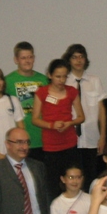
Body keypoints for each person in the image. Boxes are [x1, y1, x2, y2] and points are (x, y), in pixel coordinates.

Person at [32, 59, 85, 200]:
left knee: (74, 181)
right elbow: (35, 119)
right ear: (49, 75)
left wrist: (69, 123)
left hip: (70, 144)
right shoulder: (42, 92)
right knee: (53, 185)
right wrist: (51, 125)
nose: (61, 80)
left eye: (64, 76)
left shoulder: (72, 91)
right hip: (51, 147)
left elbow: (81, 117)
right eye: (58, 76)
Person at [64, 44, 107, 189]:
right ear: (69, 60)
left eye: (81, 57)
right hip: (70, 138)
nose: (78, 60)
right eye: (74, 57)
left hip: (92, 137)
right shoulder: (64, 81)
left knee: (91, 177)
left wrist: (103, 137)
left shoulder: (94, 80)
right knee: (73, 178)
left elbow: (101, 110)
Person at [5, 41, 49, 161]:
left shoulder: (44, 80)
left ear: (34, 58)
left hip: (42, 139)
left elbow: (52, 103)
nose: (27, 61)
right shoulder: (8, 81)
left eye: (30, 57)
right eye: (23, 58)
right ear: (16, 60)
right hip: (19, 142)